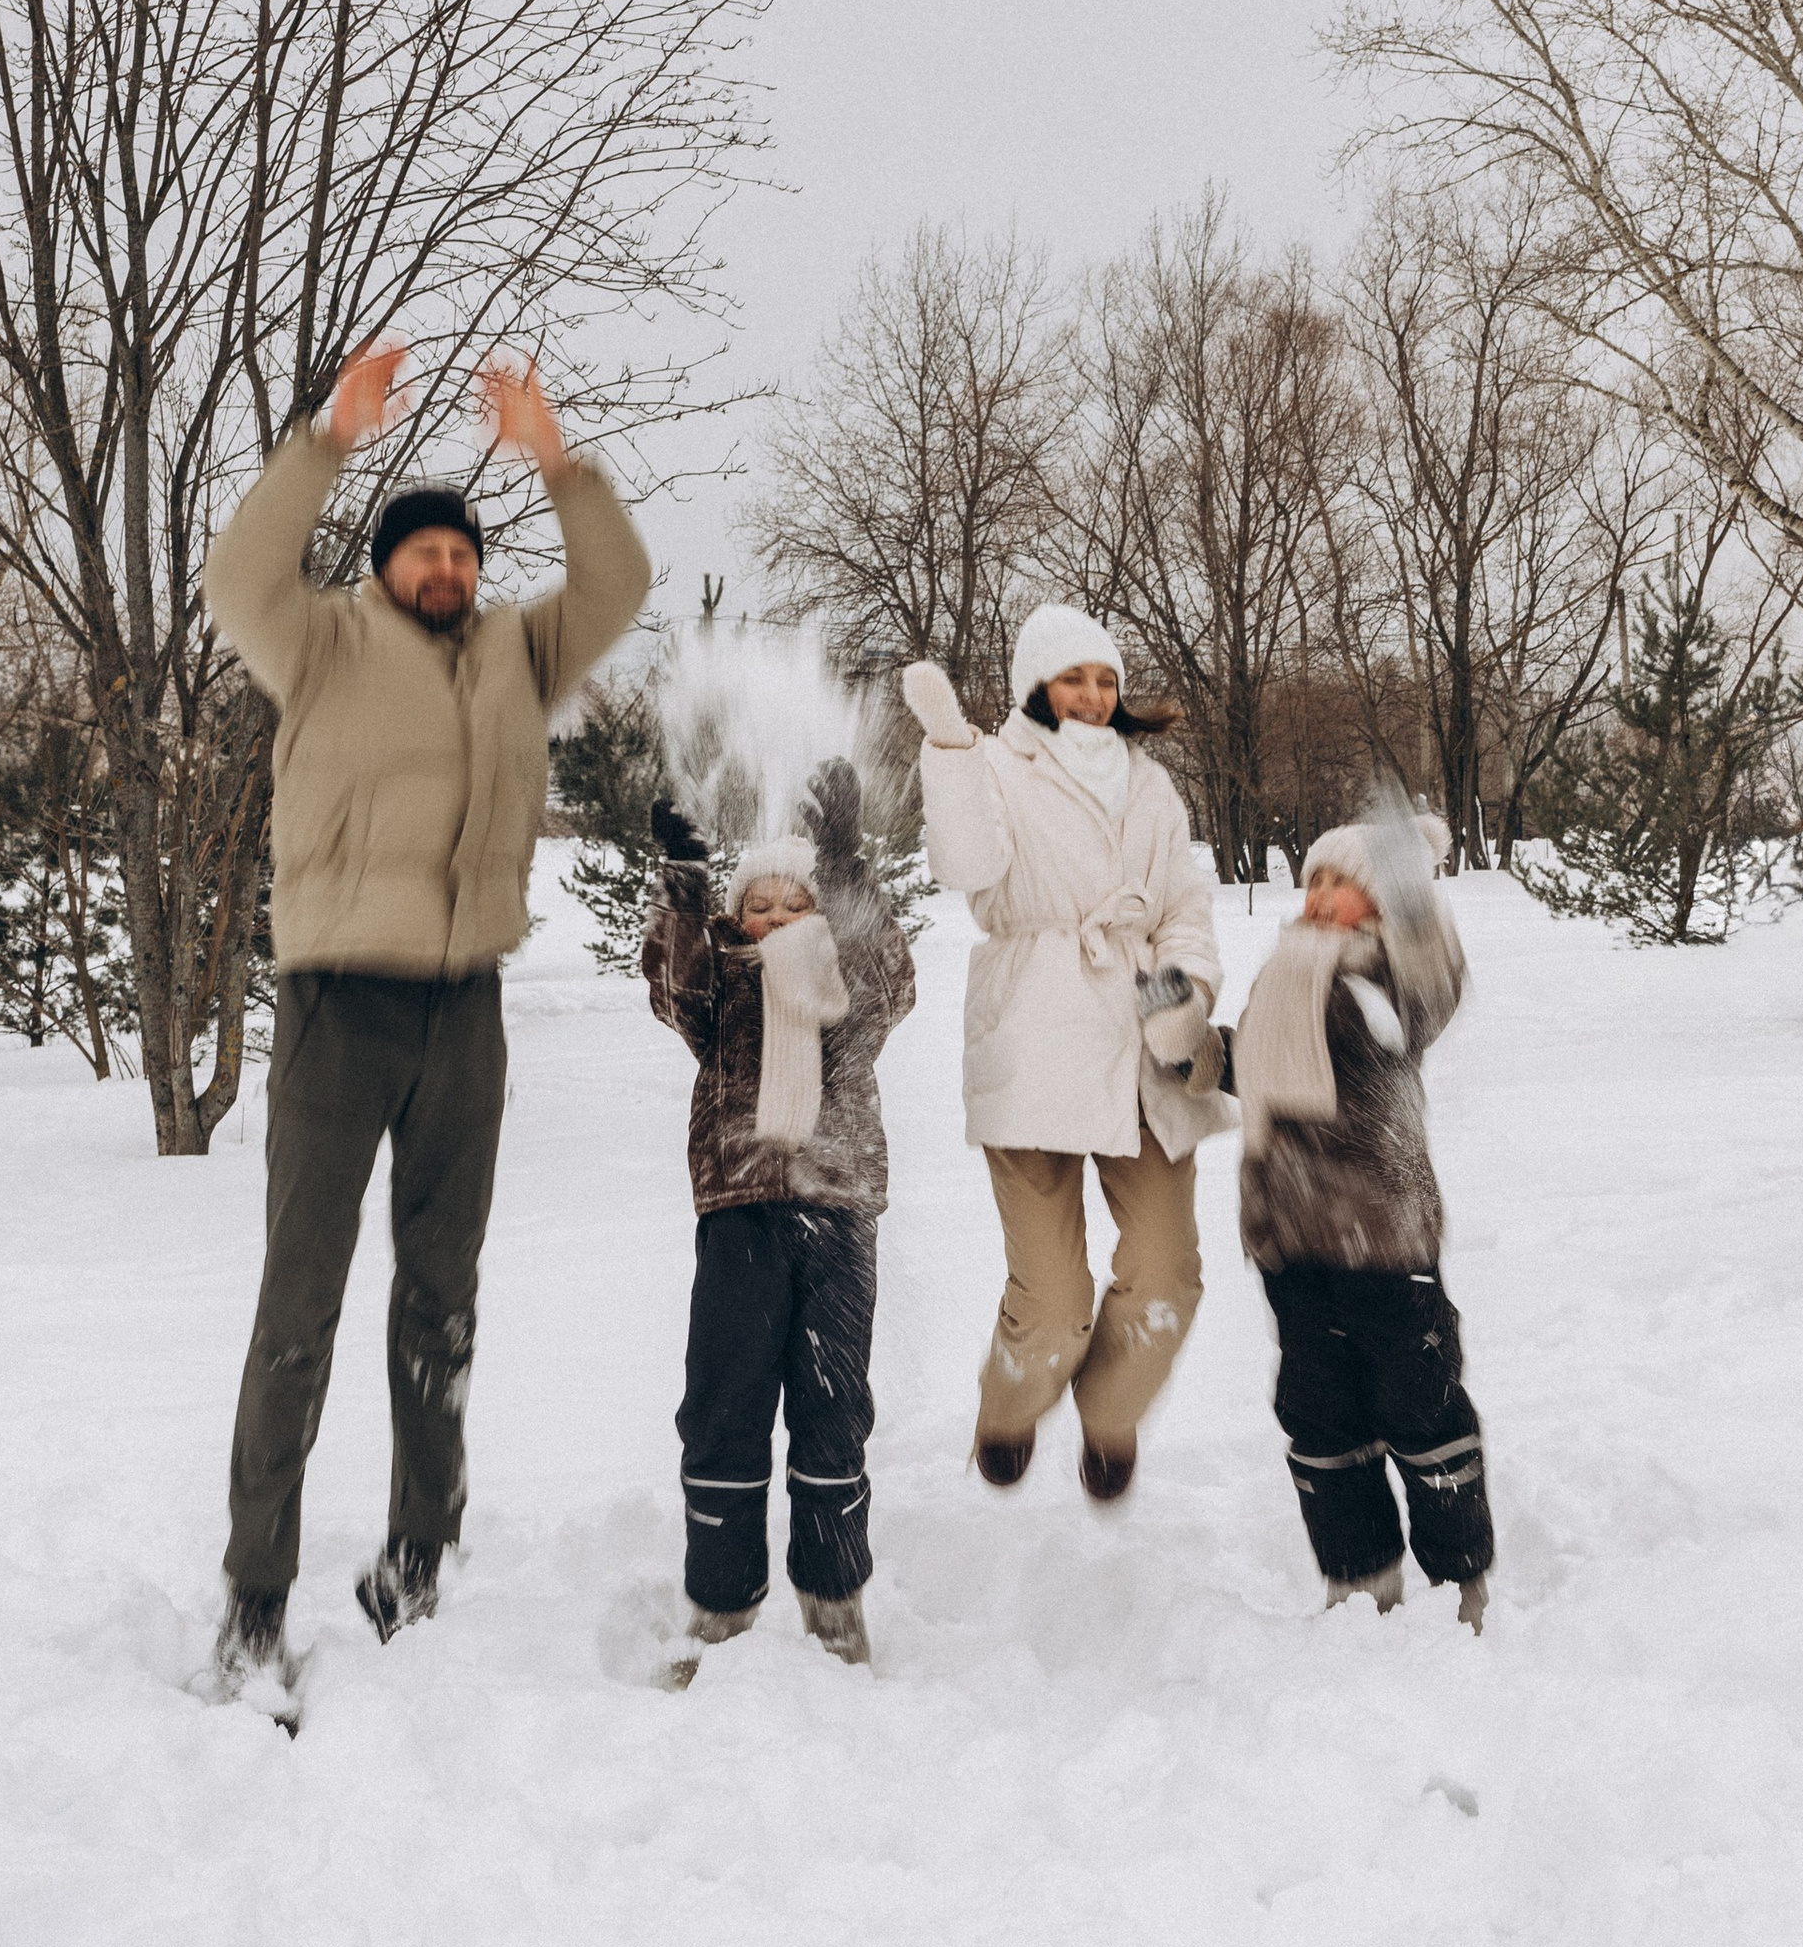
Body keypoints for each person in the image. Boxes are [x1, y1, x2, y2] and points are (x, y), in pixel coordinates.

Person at [199, 341, 650, 1704]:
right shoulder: (320, 640)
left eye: (462, 552)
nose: (446, 568)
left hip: (465, 1010)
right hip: (338, 1005)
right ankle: (255, 1596)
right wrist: (330, 439)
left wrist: (554, 459)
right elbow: (237, 576)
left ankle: (417, 1556)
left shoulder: (518, 651)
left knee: (442, 1298)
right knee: (301, 1302)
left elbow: (618, 584)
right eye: (424, 552)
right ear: (387, 564)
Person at [903, 604, 1231, 1501]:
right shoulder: (997, 764)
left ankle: (1112, 1408)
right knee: (1052, 1304)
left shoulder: (1151, 785)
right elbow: (965, 866)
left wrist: (1183, 996)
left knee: (1166, 1279)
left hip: (1142, 1035)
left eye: (1105, 679)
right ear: (1036, 686)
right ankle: (1011, 1403)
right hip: (1034, 1030)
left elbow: (1184, 907)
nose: (1092, 695)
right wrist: (952, 753)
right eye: (1073, 677)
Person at [642, 761, 916, 1679]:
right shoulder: (723, 984)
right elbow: (672, 982)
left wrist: (844, 863)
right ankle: (720, 1605)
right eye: (756, 905)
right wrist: (684, 879)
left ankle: (835, 1604)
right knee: (723, 1408)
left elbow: (891, 973)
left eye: (797, 902)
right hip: (740, 1216)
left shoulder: (849, 983)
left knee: (834, 1413)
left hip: (837, 1217)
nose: (774, 917)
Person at [1226, 805, 1494, 1629]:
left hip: (1381, 1239)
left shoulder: (1394, 974)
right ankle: (1359, 1581)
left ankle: (1458, 1582)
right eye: (1314, 881)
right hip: (1292, 1237)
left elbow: (1433, 991)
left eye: (1341, 883)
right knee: (1320, 1415)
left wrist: (1413, 895)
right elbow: (1256, 1065)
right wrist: (1189, 1045)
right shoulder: (1286, 972)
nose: (1318, 896)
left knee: (1421, 1404)